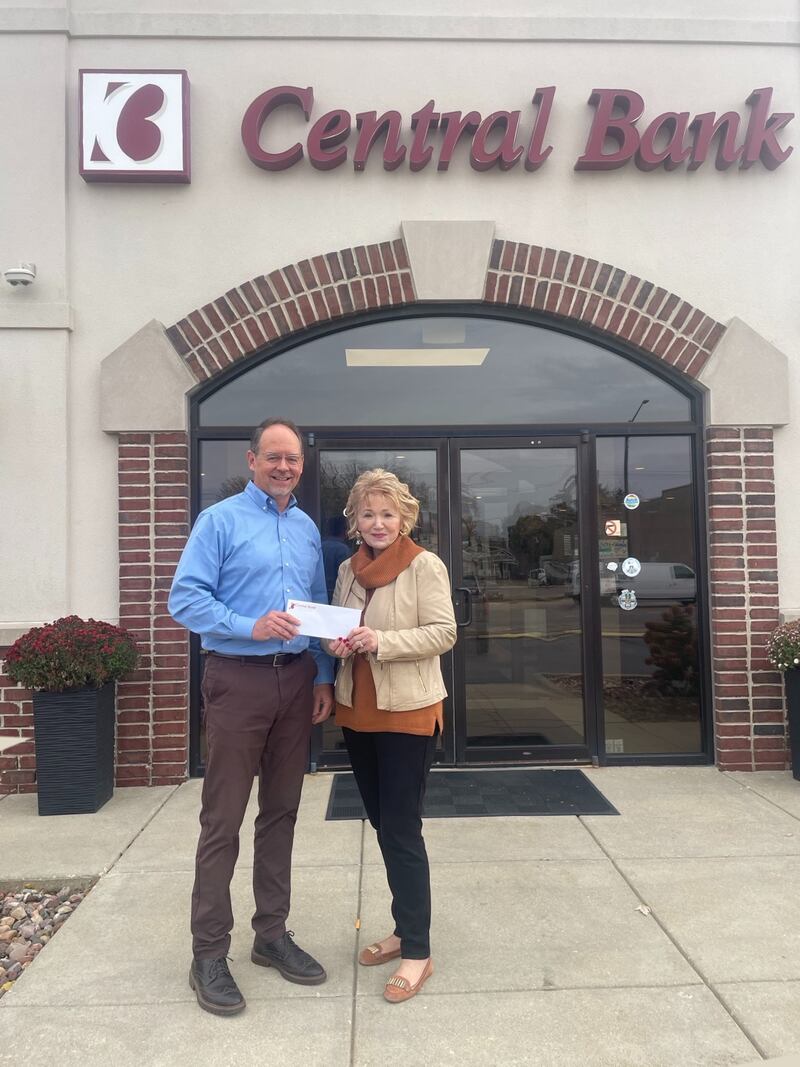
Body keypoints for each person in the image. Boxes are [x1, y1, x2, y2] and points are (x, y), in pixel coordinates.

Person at [168, 418, 334, 1017]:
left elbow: (314, 611)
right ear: (252, 460)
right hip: (237, 679)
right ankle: (208, 952)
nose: (284, 467)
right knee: (224, 818)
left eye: (292, 459)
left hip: (295, 683)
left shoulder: (309, 527)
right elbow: (184, 599)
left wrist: (321, 675)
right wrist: (250, 625)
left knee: (282, 811)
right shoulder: (220, 521)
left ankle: (271, 934)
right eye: (273, 457)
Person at [325, 469, 457, 1004]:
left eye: (387, 513)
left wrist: (381, 640)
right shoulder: (347, 569)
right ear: (355, 521)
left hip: (408, 712)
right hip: (359, 712)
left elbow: (443, 632)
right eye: (367, 514)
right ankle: (404, 928)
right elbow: (337, 627)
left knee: (402, 829)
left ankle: (418, 952)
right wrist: (337, 645)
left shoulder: (425, 565)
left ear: (404, 518)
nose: (377, 523)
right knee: (384, 825)